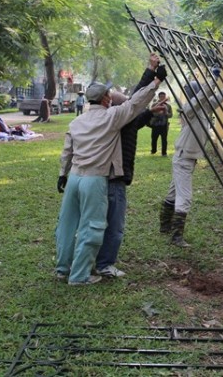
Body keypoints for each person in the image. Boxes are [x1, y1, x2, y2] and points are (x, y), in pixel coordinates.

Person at [55, 54, 166, 285]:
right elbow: (134, 103)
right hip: (95, 179)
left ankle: (62, 268)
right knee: (92, 226)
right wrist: (155, 83)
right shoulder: (112, 118)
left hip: (74, 177)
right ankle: (80, 276)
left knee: (67, 224)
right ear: (106, 100)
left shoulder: (76, 122)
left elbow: (67, 151)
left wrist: (62, 174)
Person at [94, 73, 166, 278]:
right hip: (114, 179)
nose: (131, 107)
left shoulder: (114, 120)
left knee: (97, 222)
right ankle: (105, 264)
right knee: (114, 225)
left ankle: (92, 259)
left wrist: (150, 111)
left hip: (100, 177)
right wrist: (152, 75)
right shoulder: (118, 119)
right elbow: (136, 100)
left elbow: (135, 114)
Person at [159, 72, 223, 247]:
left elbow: (222, 95)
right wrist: (212, 79)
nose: (209, 95)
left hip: (186, 158)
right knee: (185, 196)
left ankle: (165, 226)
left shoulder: (205, 107)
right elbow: (200, 98)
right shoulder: (189, 109)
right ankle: (176, 236)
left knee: (174, 193)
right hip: (183, 159)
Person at [149, 91, 172, 156]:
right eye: (161, 97)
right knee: (154, 139)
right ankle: (153, 150)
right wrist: (158, 113)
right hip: (155, 125)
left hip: (164, 125)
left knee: (164, 140)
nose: (162, 98)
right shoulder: (154, 105)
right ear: (159, 97)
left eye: (164, 97)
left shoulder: (168, 106)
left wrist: (167, 113)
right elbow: (151, 113)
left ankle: (164, 153)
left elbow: (171, 115)